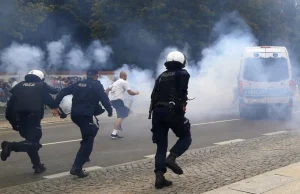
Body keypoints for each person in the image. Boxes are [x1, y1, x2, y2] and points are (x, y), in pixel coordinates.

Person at [53, 69, 113, 178]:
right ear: (96, 75)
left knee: (90, 133)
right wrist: (109, 110)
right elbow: (104, 98)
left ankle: (84, 155)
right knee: (88, 139)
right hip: (85, 115)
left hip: (75, 114)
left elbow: (62, 92)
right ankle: (77, 167)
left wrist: (55, 105)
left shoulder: (78, 83)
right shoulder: (96, 85)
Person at [0, 70, 61, 174]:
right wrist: (62, 113)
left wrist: (14, 123)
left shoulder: (18, 87)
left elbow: (9, 108)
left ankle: (37, 166)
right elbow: (52, 102)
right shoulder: (41, 86)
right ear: (40, 78)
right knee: (34, 144)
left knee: (29, 142)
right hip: (33, 119)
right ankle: (9, 145)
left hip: (20, 120)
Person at [149, 51, 192, 189]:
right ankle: (172, 158)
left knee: (161, 147)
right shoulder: (183, 74)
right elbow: (182, 93)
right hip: (171, 112)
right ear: (182, 61)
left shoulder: (161, 76)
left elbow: (153, 96)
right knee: (186, 136)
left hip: (157, 113)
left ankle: (159, 177)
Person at [105, 71, 139, 139]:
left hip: (114, 101)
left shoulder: (116, 82)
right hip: (117, 101)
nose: (127, 77)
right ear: (123, 75)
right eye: (126, 75)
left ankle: (119, 124)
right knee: (121, 115)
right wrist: (136, 93)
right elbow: (130, 92)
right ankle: (114, 133)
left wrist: (106, 98)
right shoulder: (123, 82)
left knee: (127, 112)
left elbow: (107, 90)